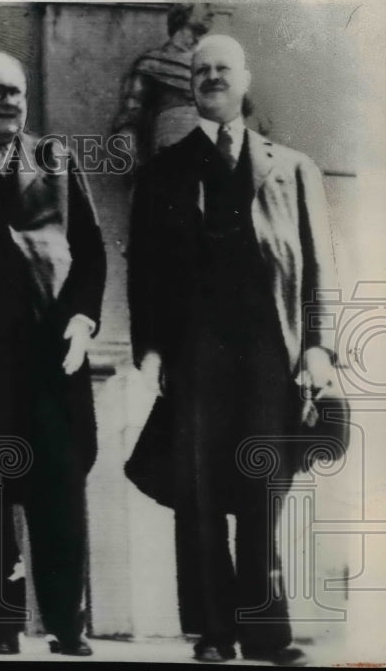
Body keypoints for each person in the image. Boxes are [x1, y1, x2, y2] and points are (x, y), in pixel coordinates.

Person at [127, 34, 338, 666]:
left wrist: (319, 348)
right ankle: (214, 634)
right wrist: (153, 351)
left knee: (262, 496)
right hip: (197, 356)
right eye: (200, 72)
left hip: (271, 355)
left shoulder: (295, 167)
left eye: (223, 69)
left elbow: (321, 264)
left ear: (244, 81)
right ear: (191, 86)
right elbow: (146, 271)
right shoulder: (167, 168)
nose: (211, 78)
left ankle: (268, 636)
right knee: (198, 498)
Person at [0, 51, 106, 656]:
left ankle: (67, 625)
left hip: (55, 357)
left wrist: (84, 321)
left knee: (60, 493)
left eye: (17, 92)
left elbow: (91, 254)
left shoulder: (57, 161)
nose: (9, 102)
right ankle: (2, 629)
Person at [112, 3, 215, 166]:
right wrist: (127, 139)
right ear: (185, 9)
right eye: (206, 5)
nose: (212, 12)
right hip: (172, 150)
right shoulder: (152, 63)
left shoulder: (213, 65)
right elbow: (132, 110)